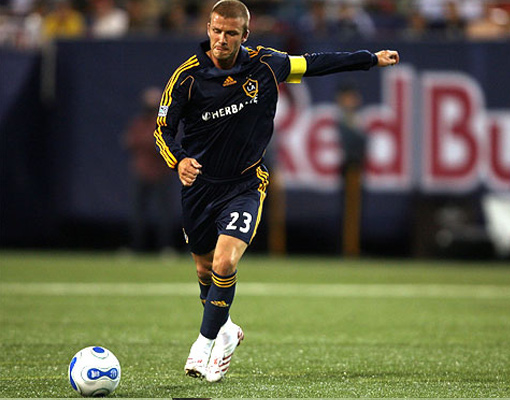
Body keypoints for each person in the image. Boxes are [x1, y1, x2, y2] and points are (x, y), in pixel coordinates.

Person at [153, 0, 399, 383]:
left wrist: (369, 59)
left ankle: (203, 345)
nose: (221, 39)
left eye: (231, 33)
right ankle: (226, 330)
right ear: (208, 29)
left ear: (245, 35)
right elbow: (163, 129)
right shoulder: (186, 77)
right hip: (200, 188)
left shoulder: (266, 64)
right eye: (216, 31)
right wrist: (178, 160)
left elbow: (315, 63)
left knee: (224, 263)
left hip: (245, 184)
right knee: (204, 268)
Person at [124, 87, 176, 254]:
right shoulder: (139, 122)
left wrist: (151, 144)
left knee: (165, 213)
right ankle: (135, 247)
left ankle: (166, 247)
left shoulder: (165, 122)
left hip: (161, 173)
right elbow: (129, 141)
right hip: (142, 172)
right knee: (138, 212)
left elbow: (164, 145)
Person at [336, 81, 366, 257]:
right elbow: (357, 142)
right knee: (349, 210)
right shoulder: (344, 119)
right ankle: (349, 248)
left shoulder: (353, 118)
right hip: (349, 168)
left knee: (354, 210)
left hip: (355, 167)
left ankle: (352, 247)